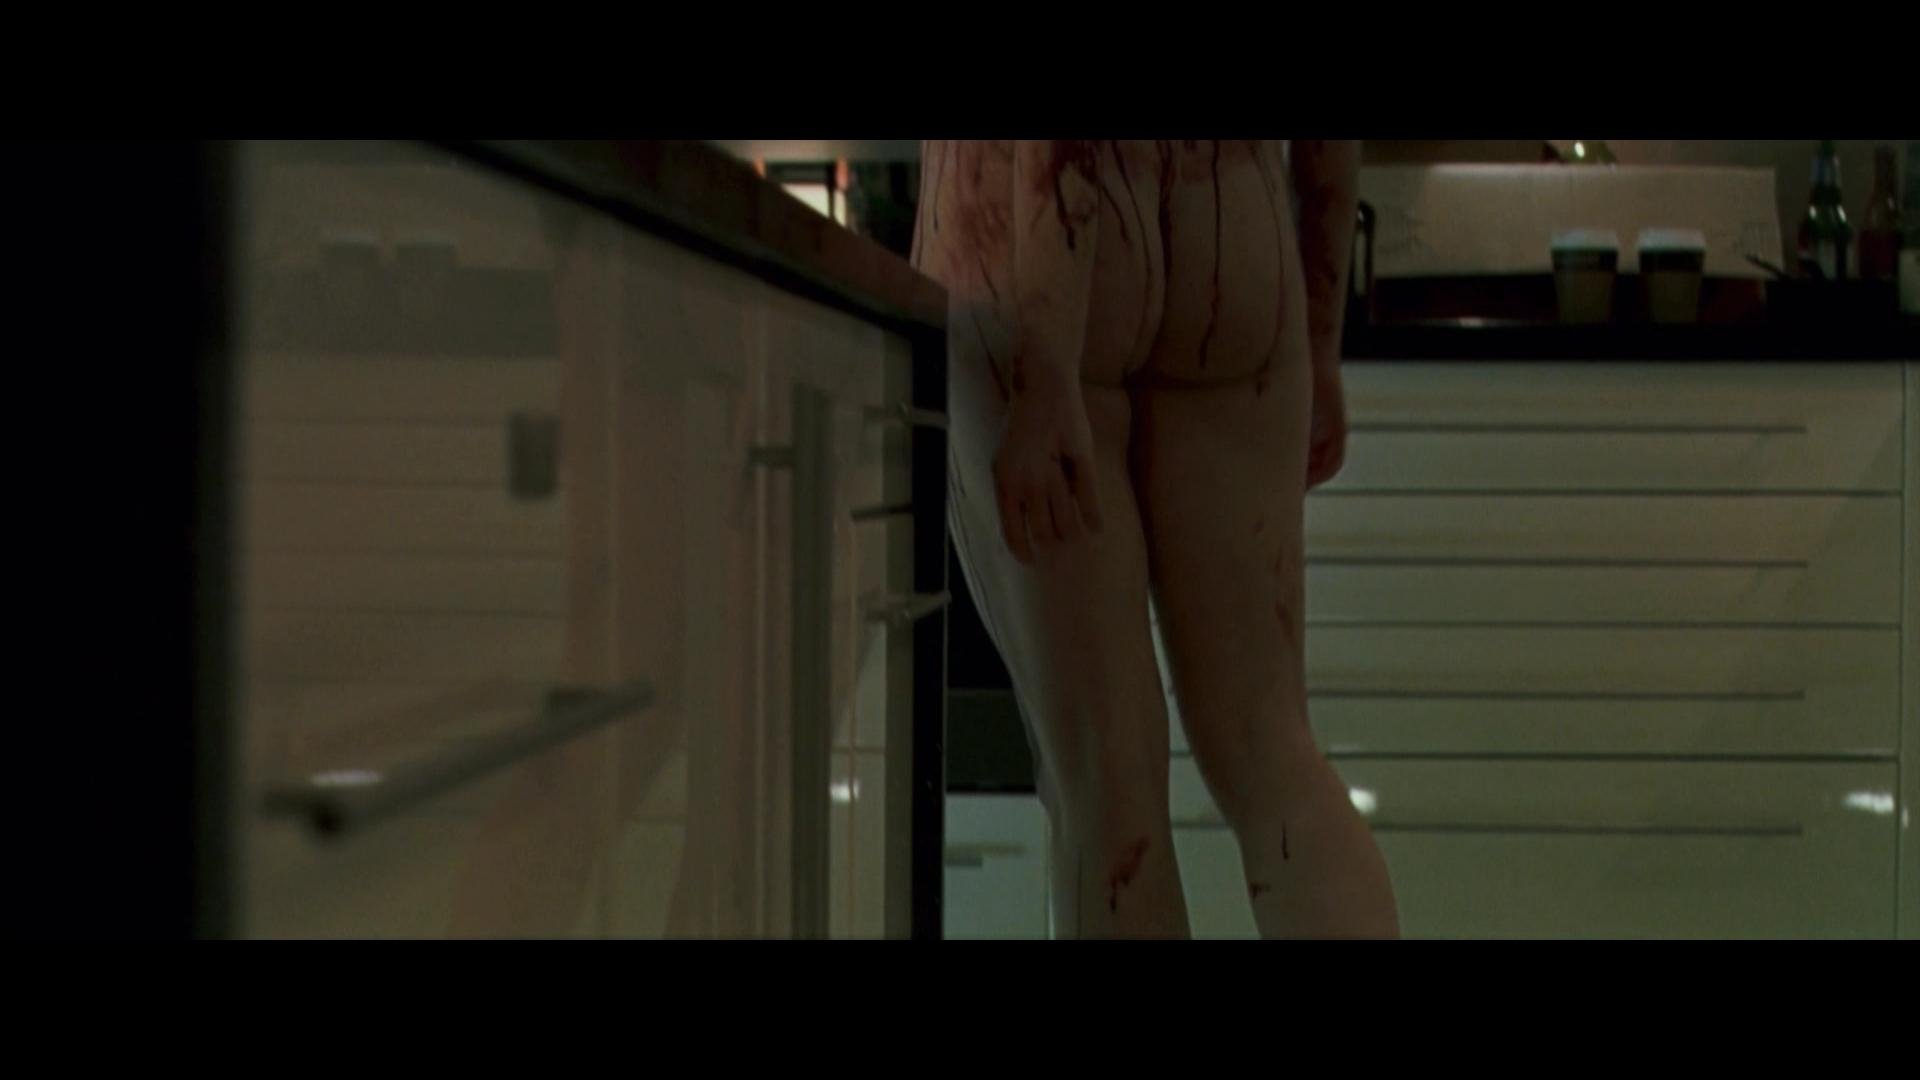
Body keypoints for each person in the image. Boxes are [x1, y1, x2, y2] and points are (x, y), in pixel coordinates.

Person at [912, 140, 1400, 938]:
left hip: (1027, 235)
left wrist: (1046, 364)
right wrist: (1318, 334)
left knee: (1105, 783)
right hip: (1233, 223)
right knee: (1273, 752)